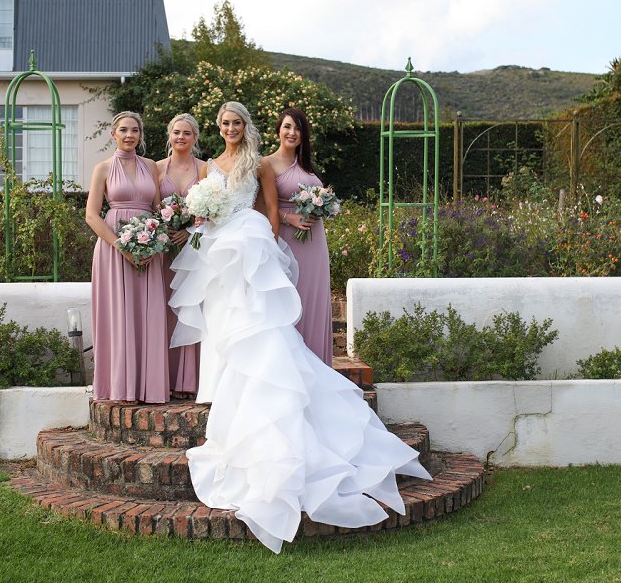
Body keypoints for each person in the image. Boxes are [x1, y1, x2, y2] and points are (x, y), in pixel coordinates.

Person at [169, 101, 431, 553]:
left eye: (236, 122)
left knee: (255, 325)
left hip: (249, 246)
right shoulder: (209, 165)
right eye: (225, 123)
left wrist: (266, 248)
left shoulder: (259, 164)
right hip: (217, 247)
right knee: (223, 319)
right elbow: (205, 210)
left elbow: (270, 211)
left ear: (245, 126)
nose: (230, 128)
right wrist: (204, 219)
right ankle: (217, 384)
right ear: (218, 127)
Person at [85, 111, 169, 403]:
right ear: (114, 134)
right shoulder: (103, 168)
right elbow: (92, 216)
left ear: (140, 135)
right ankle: (121, 387)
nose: (130, 135)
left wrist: (156, 241)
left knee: (148, 313)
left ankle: (149, 387)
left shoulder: (151, 166)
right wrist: (121, 246)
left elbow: (157, 209)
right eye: (123, 130)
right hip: (113, 250)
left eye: (135, 130)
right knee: (119, 314)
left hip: (149, 249)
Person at [265, 108, 333, 365]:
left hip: (315, 243)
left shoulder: (307, 166)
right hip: (286, 240)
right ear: (278, 130)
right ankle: (291, 367)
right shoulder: (267, 164)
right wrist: (288, 218)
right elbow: (258, 206)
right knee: (291, 298)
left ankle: (317, 365)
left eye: (297, 128)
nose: (292, 132)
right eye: (287, 127)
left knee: (314, 298)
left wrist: (325, 204)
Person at [156, 113, 207, 398]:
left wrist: (189, 231)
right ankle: (164, 377)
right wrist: (163, 230)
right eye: (176, 132)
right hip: (164, 250)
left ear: (195, 137)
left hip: (193, 248)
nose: (181, 137)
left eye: (187, 133)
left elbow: (212, 210)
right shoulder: (156, 168)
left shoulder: (204, 169)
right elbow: (150, 207)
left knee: (190, 307)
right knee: (164, 308)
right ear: (169, 135)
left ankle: (189, 380)